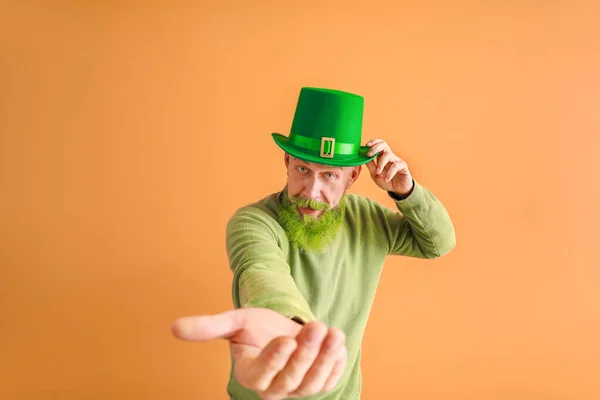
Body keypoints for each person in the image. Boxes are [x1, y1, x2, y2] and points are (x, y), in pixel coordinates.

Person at [172, 87, 457, 400]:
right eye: (303, 169)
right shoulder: (254, 221)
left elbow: (438, 243)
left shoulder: (368, 219)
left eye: (330, 176)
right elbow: (262, 271)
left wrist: (407, 192)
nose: (311, 190)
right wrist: (290, 327)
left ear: (353, 177)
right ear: (287, 161)